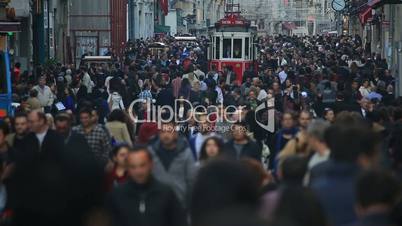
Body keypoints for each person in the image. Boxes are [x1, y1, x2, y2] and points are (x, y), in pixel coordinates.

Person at [13, 110, 69, 226]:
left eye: (32, 122)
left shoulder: (56, 138)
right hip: (32, 194)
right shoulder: (27, 140)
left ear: (42, 121)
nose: (29, 124)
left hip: (53, 192)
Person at [106, 146, 187, 226]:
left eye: (142, 165)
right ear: (128, 167)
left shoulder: (166, 194)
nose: (138, 171)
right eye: (133, 167)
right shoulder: (118, 196)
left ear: (151, 165)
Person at [148, 121, 195, 208]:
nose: (166, 135)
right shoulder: (151, 153)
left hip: (179, 204)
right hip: (156, 204)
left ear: (175, 134)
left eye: (169, 131)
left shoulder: (185, 153)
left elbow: (191, 181)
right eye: (163, 132)